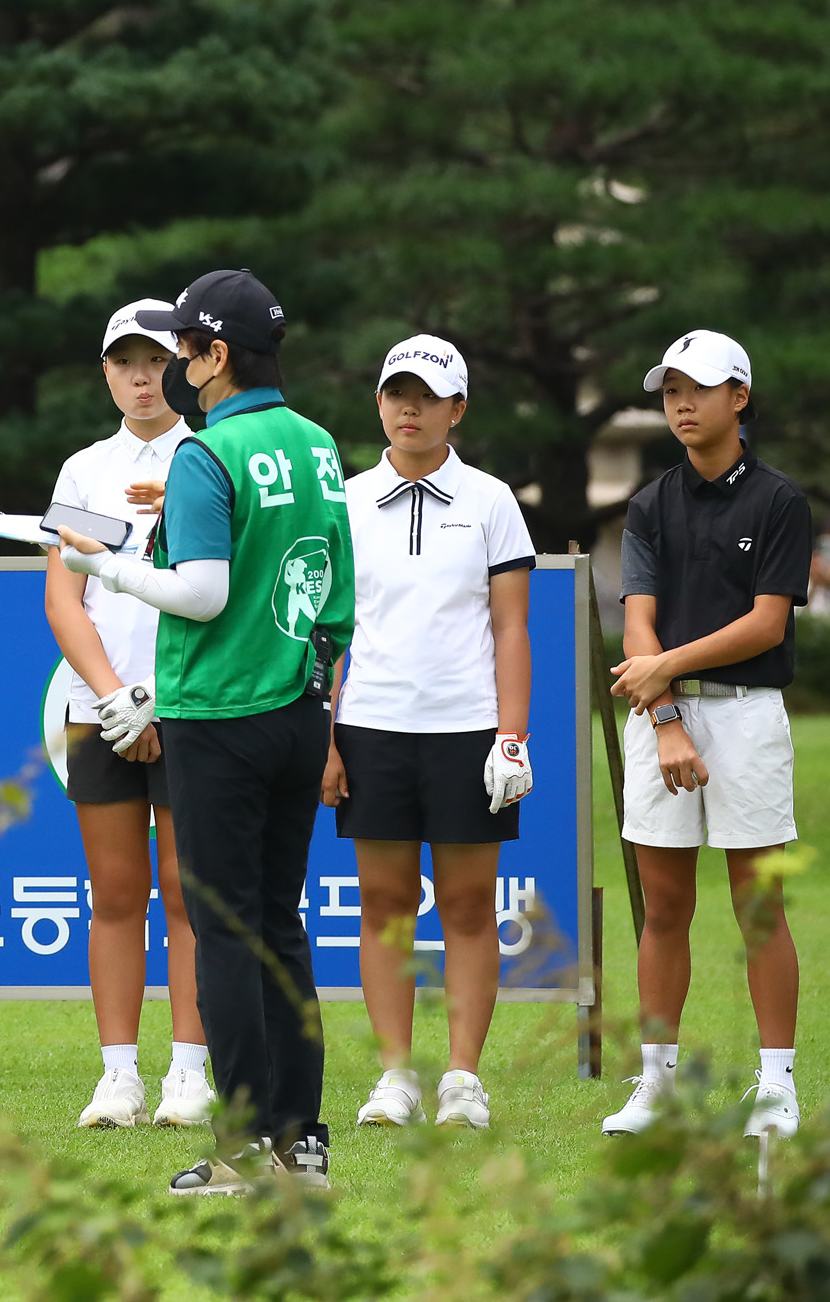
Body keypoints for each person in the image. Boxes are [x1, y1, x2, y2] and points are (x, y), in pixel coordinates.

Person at [59, 269, 354, 1193]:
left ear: (216, 354)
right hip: (299, 707)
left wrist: (107, 566)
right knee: (279, 924)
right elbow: (337, 594)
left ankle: (239, 1148)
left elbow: (202, 592)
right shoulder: (317, 445)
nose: (176, 367)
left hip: (218, 715)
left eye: (183, 348)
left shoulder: (206, 452)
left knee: (224, 929)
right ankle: (302, 1143)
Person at [320, 336, 534, 1131]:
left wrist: (512, 736)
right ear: (378, 402)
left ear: (457, 409)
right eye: (396, 394)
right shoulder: (340, 501)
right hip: (370, 725)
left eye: (427, 396)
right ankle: (395, 1078)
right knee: (386, 904)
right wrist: (329, 739)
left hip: (467, 727)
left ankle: (463, 1079)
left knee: (471, 906)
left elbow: (511, 629)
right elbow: (326, 634)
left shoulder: (491, 500)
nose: (409, 409)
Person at [605, 329, 809, 1140]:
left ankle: (777, 1087)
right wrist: (663, 716)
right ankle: (657, 1085)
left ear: (740, 397)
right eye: (670, 391)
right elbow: (637, 626)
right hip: (662, 724)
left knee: (759, 907)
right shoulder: (650, 503)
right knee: (665, 909)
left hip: (749, 716)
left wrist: (665, 673)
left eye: (699, 388)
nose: (681, 403)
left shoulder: (779, 500)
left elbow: (765, 625)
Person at [45, 301, 215, 1130]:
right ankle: (119, 1077)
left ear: (180, 364)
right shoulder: (83, 471)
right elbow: (64, 596)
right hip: (98, 706)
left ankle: (189, 1071)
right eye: (125, 362)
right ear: (106, 370)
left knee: (188, 893)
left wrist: (158, 699)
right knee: (115, 894)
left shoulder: (212, 455)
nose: (141, 377)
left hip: (196, 707)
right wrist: (114, 694)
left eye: (155, 360)